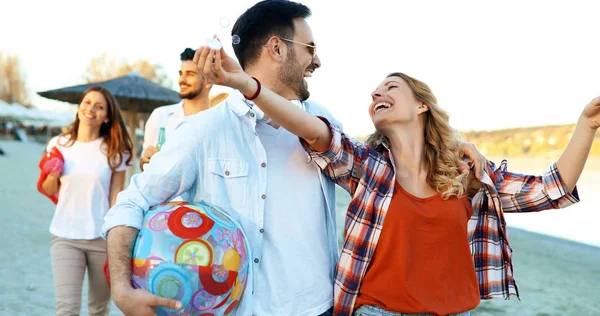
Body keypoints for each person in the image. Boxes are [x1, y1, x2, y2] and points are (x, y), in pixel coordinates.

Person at [102, 1, 485, 315]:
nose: (317, 62)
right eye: (311, 49)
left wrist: (454, 147)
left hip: (320, 308)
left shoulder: (322, 120)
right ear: (277, 48)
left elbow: (390, 163)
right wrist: (121, 289)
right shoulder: (204, 131)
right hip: (239, 309)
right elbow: (132, 202)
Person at [197, 44, 597, 316]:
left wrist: (587, 123)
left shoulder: (466, 173)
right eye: (374, 94)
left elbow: (552, 189)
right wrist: (248, 86)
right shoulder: (367, 167)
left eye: (390, 87)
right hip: (376, 311)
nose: (376, 94)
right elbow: (312, 129)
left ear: (421, 104)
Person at [40, 86, 133, 315]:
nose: (91, 109)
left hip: (101, 239)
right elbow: (47, 187)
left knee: (98, 308)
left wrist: (117, 236)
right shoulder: (58, 144)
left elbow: (116, 195)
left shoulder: (114, 150)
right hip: (65, 237)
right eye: (87, 102)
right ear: (79, 107)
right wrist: (53, 174)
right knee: (67, 308)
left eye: (99, 106)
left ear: (107, 116)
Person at [139, 48, 213, 171]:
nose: (181, 80)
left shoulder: (217, 123)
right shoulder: (159, 116)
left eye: (190, 74)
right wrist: (145, 160)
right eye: (181, 73)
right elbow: (144, 167)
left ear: (209, 81)